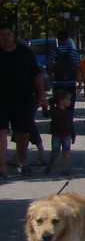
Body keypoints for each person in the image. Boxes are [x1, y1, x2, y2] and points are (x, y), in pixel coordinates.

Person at [0, 25, 47, 179]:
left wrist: (41, 94)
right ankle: (2, 168)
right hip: (2, 99)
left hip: (23, 98)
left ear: (12, 35)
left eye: (8, 34)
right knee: (1, 132)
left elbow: (36, 74)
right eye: (2, 35)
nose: (6, 37)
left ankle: (22, 162)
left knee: (23, 133)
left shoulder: (24, 52)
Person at [47, 85, 76, 176]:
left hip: (67, 134)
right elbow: (46, 114)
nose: (69, 101)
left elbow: (71, 124)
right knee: (55, 152)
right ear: (61, 101)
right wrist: (45, 106)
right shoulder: (54, 111)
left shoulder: (68, 112)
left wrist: (73, 134)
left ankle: (65, 169)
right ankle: (50, 164)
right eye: (67, 100)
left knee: (66, 152)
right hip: (56, 134)